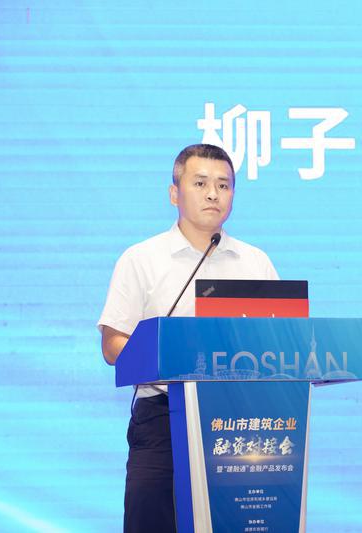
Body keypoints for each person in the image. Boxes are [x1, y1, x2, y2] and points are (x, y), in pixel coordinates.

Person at [97, 144, 279, 533]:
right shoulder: (141, 258)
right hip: (163, 418)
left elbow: (280, 343)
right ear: (174, 193)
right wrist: (170, 355)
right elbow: (112, 345)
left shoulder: (255, 262)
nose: (213, 193)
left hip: (239, 422)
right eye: (200, 183)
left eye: (224, 185)